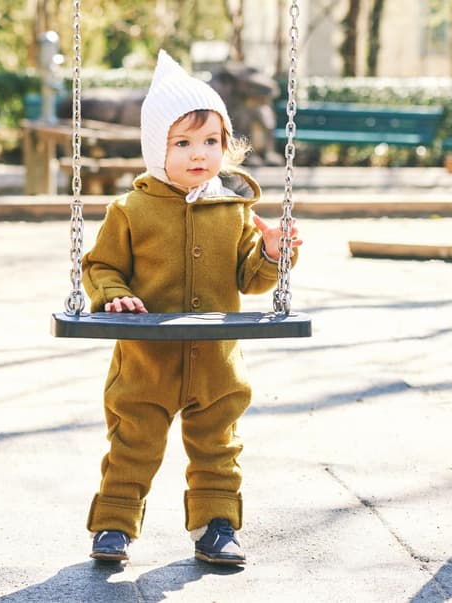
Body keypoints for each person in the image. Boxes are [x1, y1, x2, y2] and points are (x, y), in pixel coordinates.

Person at [82, 49, 302, 565]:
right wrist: (116, 296)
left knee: (218, 448)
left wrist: (272, 252)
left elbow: (251, 279)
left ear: (226, 146)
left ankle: (217, 524)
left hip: (217, 364)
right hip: (145, 362)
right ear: (156, 150)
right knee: (132, 446)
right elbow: (99, 266)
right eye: (182, 143)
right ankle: (113, 525)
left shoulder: (235, 210)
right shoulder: (130, 209)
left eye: (210, 141)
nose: (198, 153)